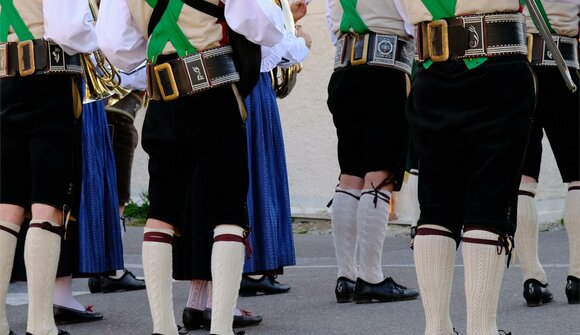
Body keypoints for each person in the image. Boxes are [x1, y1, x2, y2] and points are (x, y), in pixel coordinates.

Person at [97, 1, 294, 334]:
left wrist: (160, 49)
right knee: (228, 212)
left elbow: (114, 42)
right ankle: (220, 328)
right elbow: (254, 21)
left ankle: (162, 328)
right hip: (214, 88)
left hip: (163, 95)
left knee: (161, 210)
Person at [397, 0, 536, 333]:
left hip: (432, 65)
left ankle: (436, 329)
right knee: (488, 204)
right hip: (494, 57)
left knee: (436, 206)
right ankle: (481, 329)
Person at [0, 1, 98, 335]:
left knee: (6, 205)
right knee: (47, 205)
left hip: (2, 79)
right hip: (48, 78)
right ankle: (41, 325)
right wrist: (95, 37)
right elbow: (69, 29)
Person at [325, 0, 419, 304]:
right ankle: (371, 276)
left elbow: (331, 18)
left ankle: (346, 276)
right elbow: (413, 14)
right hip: (385, 68)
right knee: (379, 174)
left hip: (344, 68)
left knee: (350, 175)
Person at [240, 0, 311, 298]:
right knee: (257, 174)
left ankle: (252, 266)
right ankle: (251, 266)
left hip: (238, 83)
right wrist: (301, 42)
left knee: (253, 174)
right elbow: (270, 51)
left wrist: (287, 19)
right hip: (250, 86)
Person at [515, 0, 579, 307]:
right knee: (578, 175)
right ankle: (578, 276)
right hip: (560, 61)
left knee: (523, 179)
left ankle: (532, 279)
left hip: (513, 64)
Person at [87, 66, 148, 295]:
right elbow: (125, 68)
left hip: (116, 114)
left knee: (110, 197)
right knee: (116, 198)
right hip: (117, 114)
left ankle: (103, 269)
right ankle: (113, 271)